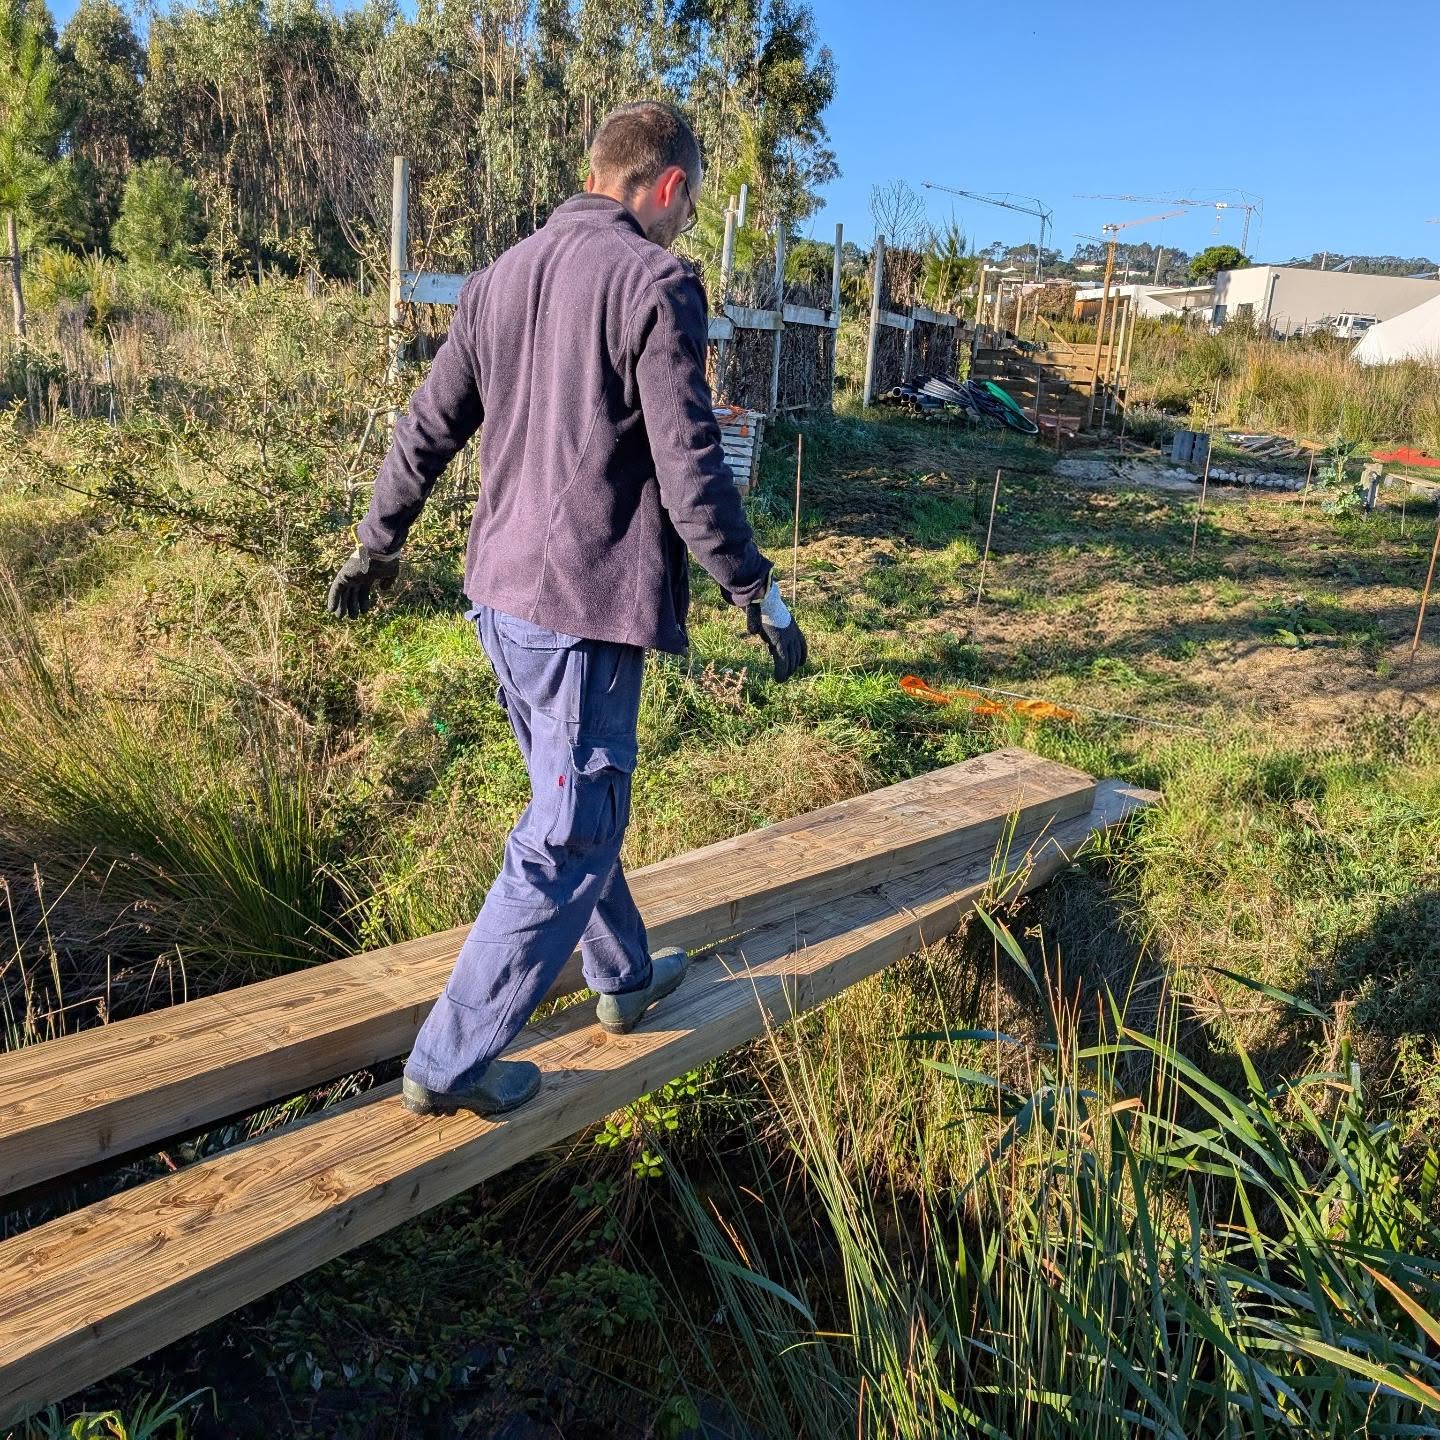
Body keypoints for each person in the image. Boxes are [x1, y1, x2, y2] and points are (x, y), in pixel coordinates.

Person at [326, 100, 807, 1119]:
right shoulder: (654, 279)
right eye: (689, 202)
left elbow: (425, 428)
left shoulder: (499, 279)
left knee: (571, 801)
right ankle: (448, 1063)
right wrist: (754, 588)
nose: (685, 222)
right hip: (583, 609)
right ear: (667, 186)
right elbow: (692, 470)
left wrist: (376, 545)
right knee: (570, 831)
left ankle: (624, 977)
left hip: (501, 602)